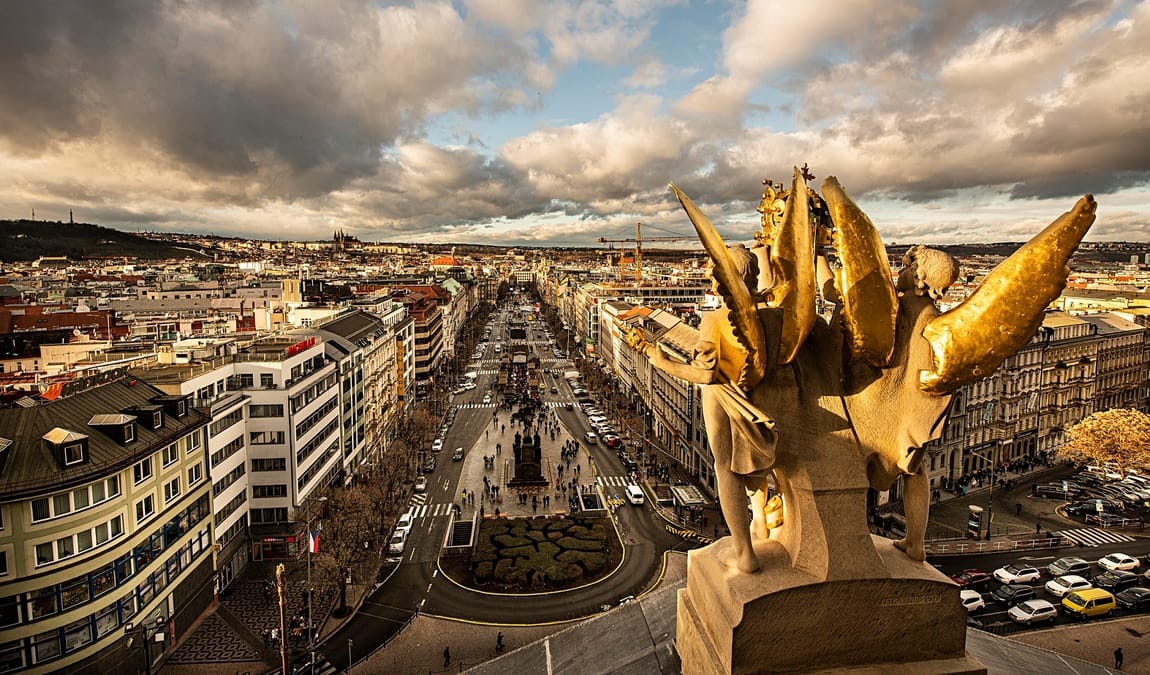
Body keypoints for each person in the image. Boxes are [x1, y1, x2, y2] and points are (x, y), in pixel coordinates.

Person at [637, 244, 777, 573]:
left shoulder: (716, 318)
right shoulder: (771, 313)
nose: (711, 280)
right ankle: (761, 527)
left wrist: (660, 358)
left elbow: (703, 373)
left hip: (724, 398)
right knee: (754, 466)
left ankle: (745, 553)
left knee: (727, 469)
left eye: (716, 274)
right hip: (760, 400)